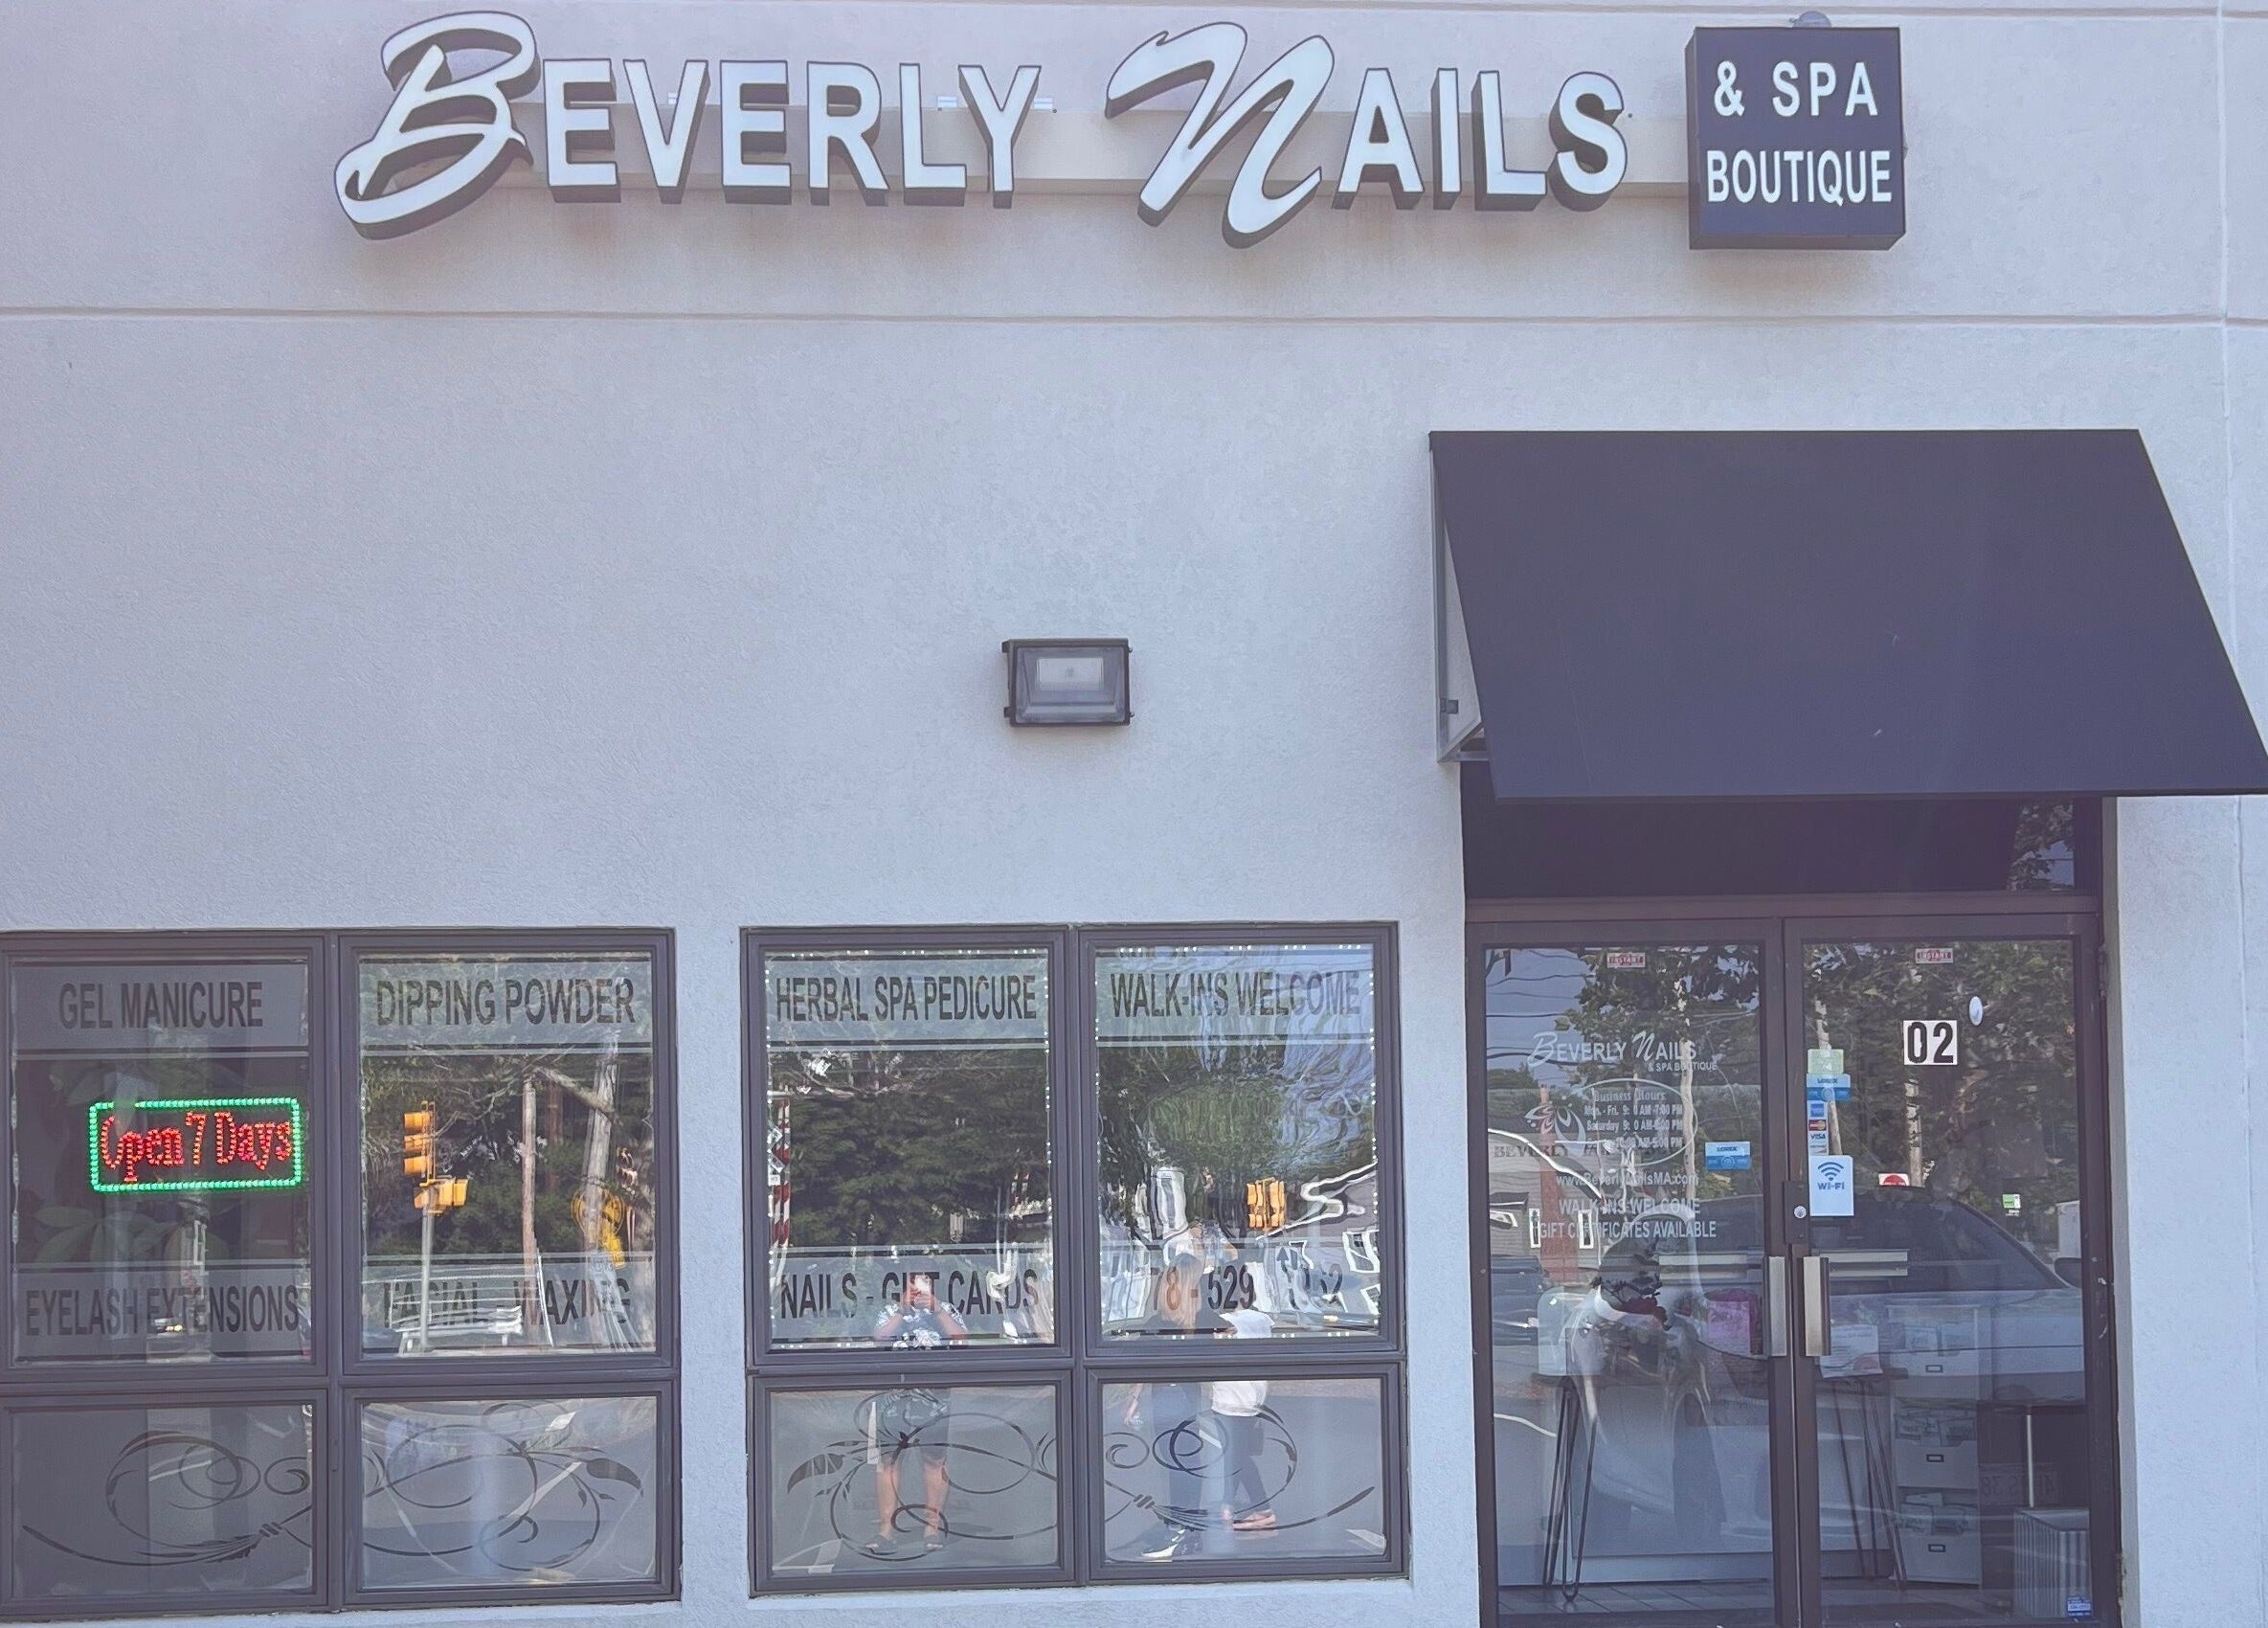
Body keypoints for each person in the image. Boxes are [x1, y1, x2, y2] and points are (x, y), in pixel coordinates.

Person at [1119, 1253, 1227, 1561]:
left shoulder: (1161, 1321)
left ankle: (1182, 1529)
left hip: (1167, 1400)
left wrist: (1134, 1400)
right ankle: (1186, 1530)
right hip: (1185, 1400)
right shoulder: (1202, 1318)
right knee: (1185, 1469)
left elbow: (1140, 1366)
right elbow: (1230, 1335)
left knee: (1177, 1468)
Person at [868, 1272, 966, 1556]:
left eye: (923, 1284)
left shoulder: (945, 1309)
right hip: (894, 1400)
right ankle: (886, 1530)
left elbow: (961, 1340)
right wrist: (903, 1310)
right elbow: (879, 1339)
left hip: (934, 1400)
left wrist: (936, 1308)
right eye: (914, 1285)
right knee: (889, 1462)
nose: (918, 1291)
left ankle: (932, 1527)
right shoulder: (890, 1310)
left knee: (934, 1461)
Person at [1209, 1280, 1275, 1532]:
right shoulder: (1262, 1320)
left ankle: (1242, 1508)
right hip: (1254, 1396)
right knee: (1238, 1455)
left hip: (1229, 1397)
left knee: (1234, 1457)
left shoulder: (1226, 1323)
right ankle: (1247, 1507)